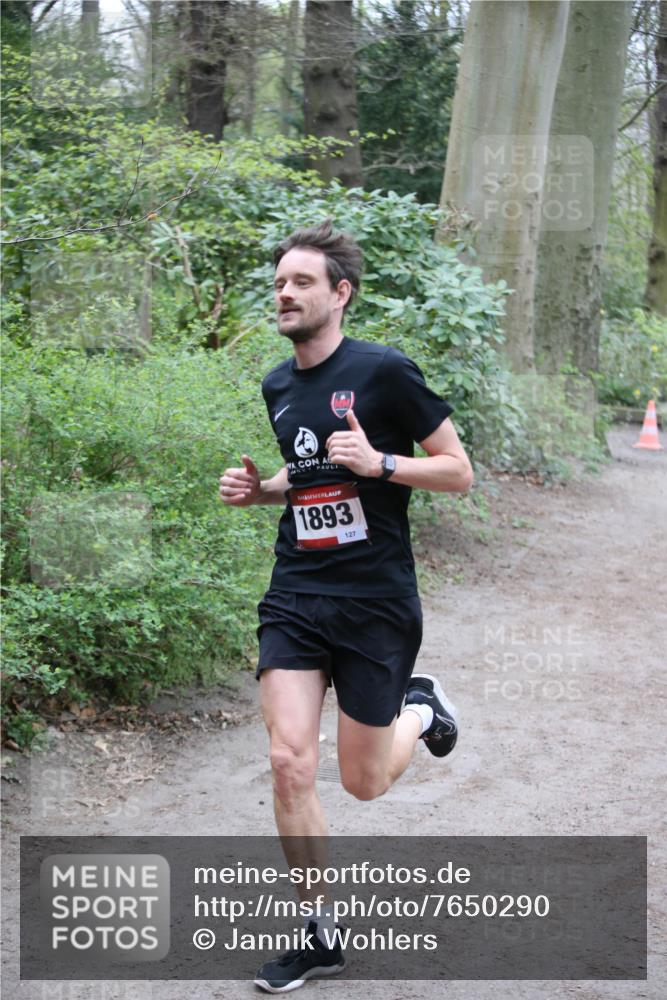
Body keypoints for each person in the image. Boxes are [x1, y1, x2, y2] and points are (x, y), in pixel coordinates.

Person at [219, 219, 473, 993]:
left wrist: (381, 462)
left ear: (340, 294)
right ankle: (318, 933)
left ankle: (420, 711)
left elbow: (457, 471)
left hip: (374, 602)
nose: (283, 293)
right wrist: (259, 491)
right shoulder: (277, 385)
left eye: (300, 282)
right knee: (287, 761)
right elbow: (307, 479)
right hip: (296, 593)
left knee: (363, 782)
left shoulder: (384, 373)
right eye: (278, 283)